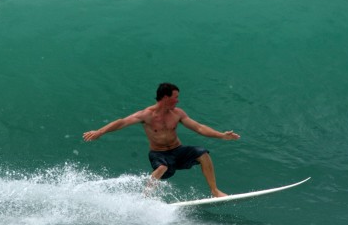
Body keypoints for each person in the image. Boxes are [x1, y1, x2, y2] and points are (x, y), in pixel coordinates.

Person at [82, 83, 240, 197]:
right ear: (165, 97)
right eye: (175, 97)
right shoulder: (147, 115)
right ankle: (145, 199)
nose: (178, 100)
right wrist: (100, 131)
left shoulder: (177, 113)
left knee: (203, 153)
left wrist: (221, 135)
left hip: (178, 151)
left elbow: (198, 127)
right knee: (162, 167)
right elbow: (122, 122)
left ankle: (215, 191)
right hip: (159, 154)